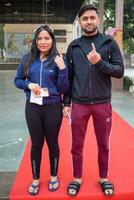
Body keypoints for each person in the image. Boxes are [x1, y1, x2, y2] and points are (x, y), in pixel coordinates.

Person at [63, 4, 124, 197]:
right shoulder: (74, 46)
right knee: (77, 144)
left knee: (103, 144)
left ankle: (104, 178)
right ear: (80, 22)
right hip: (79, 104)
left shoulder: (109, 43)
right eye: (85, 19)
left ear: (98, 20)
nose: (89, 21)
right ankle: (77, 178)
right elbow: (69, 78)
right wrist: (66, 103)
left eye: (92, 18)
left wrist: (99, 62)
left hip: (102, 103)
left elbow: (119, 71)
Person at [14, 25, 69, 195]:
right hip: (33, 108)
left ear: (52, 40)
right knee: (36, 144)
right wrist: (28, 84)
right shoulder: (27, 59)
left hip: (53, 107)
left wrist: (63, 69)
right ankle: (36, 178)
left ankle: (53, 176)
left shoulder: (59, 60)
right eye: (40, 39)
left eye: (47, 38)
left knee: (53, 143)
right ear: (35, 41)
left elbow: (63, 88)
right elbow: (17, 80)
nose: (43, 42)